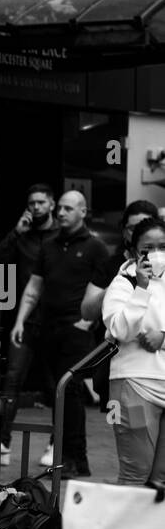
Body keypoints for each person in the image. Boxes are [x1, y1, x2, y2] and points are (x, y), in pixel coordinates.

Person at [10, 190, 110, 478]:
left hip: (77, 331)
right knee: (57, 394)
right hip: (48, 328)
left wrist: (92, 323)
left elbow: (109, 287)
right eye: (61, 208)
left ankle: (74, 459)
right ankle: (71, 458)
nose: (62, 212)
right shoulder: (50, 245)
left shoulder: (95, 247)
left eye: (69, 208)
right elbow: (34, 287)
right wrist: (20, 321)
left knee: (71, 392)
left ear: (83, 212)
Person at [0, 184, 59, 466]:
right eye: (32, 203)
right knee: (12, 379)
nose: (36, 207)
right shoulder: (23, 235)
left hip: (52, 320)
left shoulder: (59, 235)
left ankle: (55, 446)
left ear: (51, 204)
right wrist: (16, 232)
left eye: (41, 202)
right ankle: (2, 444)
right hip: (24, 321)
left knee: (55, 386)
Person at [100, 216, 165, 485]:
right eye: (147, 248)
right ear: (133, 251)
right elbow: (119, 330)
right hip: (133, 389)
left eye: (163, 246)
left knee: (161, 479)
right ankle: (124, 528)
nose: (156, 255)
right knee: (135, 475)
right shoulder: (122, 283)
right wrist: (142, 289)